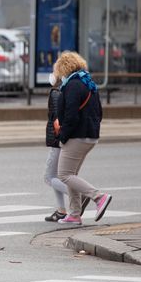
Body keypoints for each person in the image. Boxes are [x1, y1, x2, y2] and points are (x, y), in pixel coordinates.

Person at [53, 51, 111, 225]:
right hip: (90, 135)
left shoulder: (72, 86)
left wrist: (63, 137)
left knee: (63, 174)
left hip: (77, 135)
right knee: (72, 174)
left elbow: (71, 116)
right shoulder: (88, 82)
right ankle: (75, 214)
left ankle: (98, 197)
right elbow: (99, 112)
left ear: (64, 68)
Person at [43, 71, 68, 222]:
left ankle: (78, 195)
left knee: (48, 177)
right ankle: (61, 210)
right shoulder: (65, 90)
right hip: (62, 138)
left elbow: (57, 118)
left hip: (57, 139)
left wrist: (56, 138)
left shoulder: (56, 92)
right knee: (56, 176)